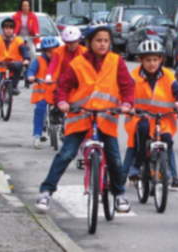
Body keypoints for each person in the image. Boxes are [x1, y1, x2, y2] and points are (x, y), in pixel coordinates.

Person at [35, 23, 134, 213]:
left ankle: (119, 194)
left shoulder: (116, 61)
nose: (103, 44)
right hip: (80, 117)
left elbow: (126, 86)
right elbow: (63, 86)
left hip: (106, 118)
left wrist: (127, 104)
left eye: (106, 40)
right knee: (66, 154)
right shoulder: (78, 63)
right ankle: (46, 191)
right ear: (89, 42)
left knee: (114, 158)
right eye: (99, 40)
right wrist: (62, 102)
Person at [124, 40, 178, 188]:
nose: (152, 63)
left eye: (155, 59)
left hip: (163, 119)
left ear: (161, 60)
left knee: (167, 140)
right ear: (140, 60)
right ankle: (137, 164)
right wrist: (126, 105)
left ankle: (169, 171)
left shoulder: (168, 75)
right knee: (141, 131)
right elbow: (126, 92)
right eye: (147, 60)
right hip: (141, 117)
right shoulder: (134, 76)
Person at [0, 18, 29, 110]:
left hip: (12, 65)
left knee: (19, 66)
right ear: (2, 29)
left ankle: (14, 87)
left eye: (11, 28)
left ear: (13, 29)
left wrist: (26, 59)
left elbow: (24, 51)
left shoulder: (18, 40)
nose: (8, 30)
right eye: (6, 28)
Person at [27, 37, 60, 149]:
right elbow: (31, 71)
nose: (52, 53)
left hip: (57, 92)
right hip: (42, 93)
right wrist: (31, 76)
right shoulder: (39, 60)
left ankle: (65, 130)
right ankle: (37, 135)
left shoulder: (60, 60)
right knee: (40, 110)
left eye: (54, 50)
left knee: (65, 108)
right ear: (44, 51)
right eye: (49, 51)